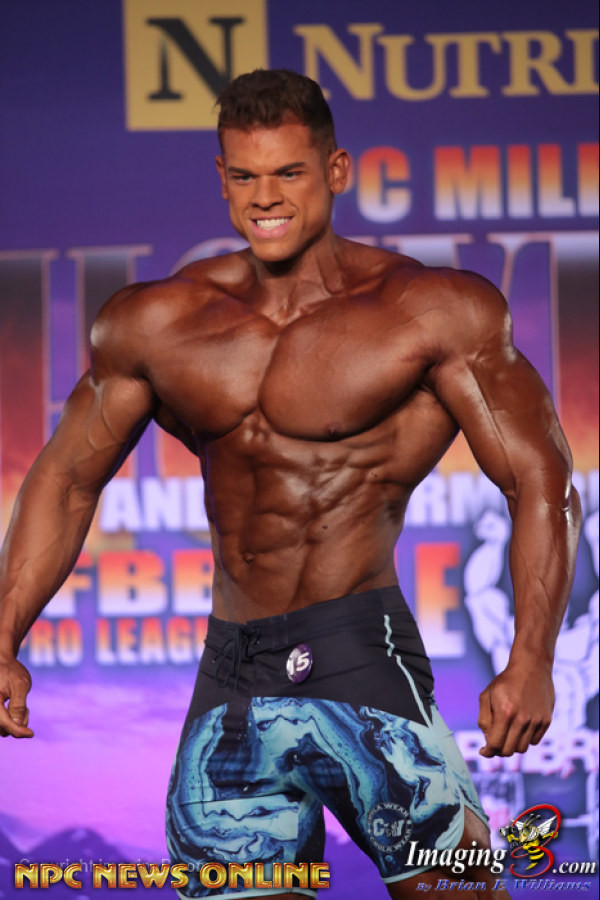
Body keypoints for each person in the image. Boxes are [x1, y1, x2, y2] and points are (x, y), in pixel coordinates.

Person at [0, 69, 581, 899]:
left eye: (288, 173)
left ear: (337, 171)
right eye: (244, 175)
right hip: (232, 675)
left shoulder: (428, 311)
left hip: (361, 654)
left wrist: (531, 659)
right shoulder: (157, 323)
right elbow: (65, 481)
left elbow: (540, 480)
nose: (264, 197)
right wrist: (4, 635)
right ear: (221, 178)